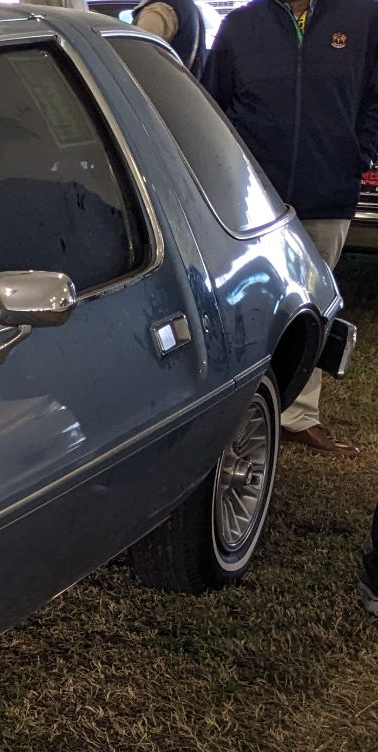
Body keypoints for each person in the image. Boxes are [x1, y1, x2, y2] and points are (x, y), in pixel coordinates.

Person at [204, 0, 378, 455]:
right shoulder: (241, 26)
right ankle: (236, 410)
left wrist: (358, 153)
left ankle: (299, 415)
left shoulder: (363, 18)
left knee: (317, 307)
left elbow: (374, 97)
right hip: (252, 201)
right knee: (246, 303)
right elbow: (212, 106)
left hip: (327, 191)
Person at [130, 0, 207, 73]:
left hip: (158, 81)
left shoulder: (157, 11)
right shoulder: (188, 6)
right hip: (182, 81)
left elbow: (139, 62)